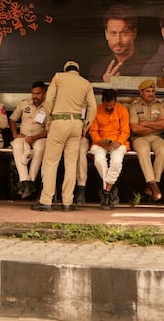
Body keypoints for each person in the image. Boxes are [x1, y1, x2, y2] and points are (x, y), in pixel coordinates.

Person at [33, 61, 97, 212]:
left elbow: (49, 101)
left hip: (59, 122)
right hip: (76, 124)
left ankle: (46, 201)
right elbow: (92, 107)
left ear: (65, 70)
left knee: (51, 162)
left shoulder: (58, 77)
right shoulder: (86, 83)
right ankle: (68, 202)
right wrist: (86, 125)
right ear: (77, 71)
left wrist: (48, 119)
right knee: (70, 164)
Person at [89, 89, 130, 210]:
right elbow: (93, 131)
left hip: (118, 142)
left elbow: (125, 131)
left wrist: (119, 142)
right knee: (99, 160)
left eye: (111, 106)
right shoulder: (96, 110)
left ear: (115, 102)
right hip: (101, 142)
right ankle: (110, 189)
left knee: (116, 162)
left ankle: (105, 192)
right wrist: (99, 140)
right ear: (102, 102)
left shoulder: (122, 110)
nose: (109, 108)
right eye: (106, 106)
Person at [129, 79, 164, 203]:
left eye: (152, 91)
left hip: (157, 137)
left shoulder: (159, 105)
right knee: (143, 150)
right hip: (140, 138)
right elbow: (135, 128)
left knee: (163, 150)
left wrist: (146, 123)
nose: (151, 94)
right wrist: (155, 126)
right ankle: (154, 185)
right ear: (141, 92)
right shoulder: (135, 106)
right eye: (148, 91)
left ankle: (151, 187)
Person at [87, 4, 148, 83]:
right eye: (113, 33)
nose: (118, 40)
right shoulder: (96, 70)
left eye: (124, 33)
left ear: (134, 33)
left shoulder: (148, 67)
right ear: (106, 34)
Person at [9, 81, 49, 199]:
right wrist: (16, 134)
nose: (35, 96)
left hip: (39, 137)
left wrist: (34, 138)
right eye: (33, 93)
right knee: (16, 145)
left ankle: (29, 181)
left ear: (44, 93)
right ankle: (26, 181)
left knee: (40, 149)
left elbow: (49, 130)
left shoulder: (48, 108)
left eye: (38, 94)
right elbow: (12, 120)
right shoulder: (24, 104)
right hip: (23, 136)